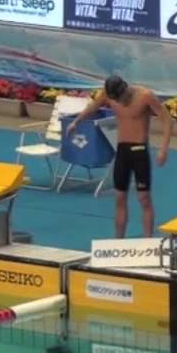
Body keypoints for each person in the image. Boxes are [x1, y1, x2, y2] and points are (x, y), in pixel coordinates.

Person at [68, 75, 170, 238]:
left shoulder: (145, 96)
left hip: (139, 150)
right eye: (115, 99)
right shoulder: (108, 94)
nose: (119, 102)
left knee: (144, 198)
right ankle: (118, 240)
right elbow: (93, 106)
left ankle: (147, 241)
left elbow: (167, 120)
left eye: (120, 98)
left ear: (125, 89)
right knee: (120, 198)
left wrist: (164, 148)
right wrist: (76, 121)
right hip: (122, 151)